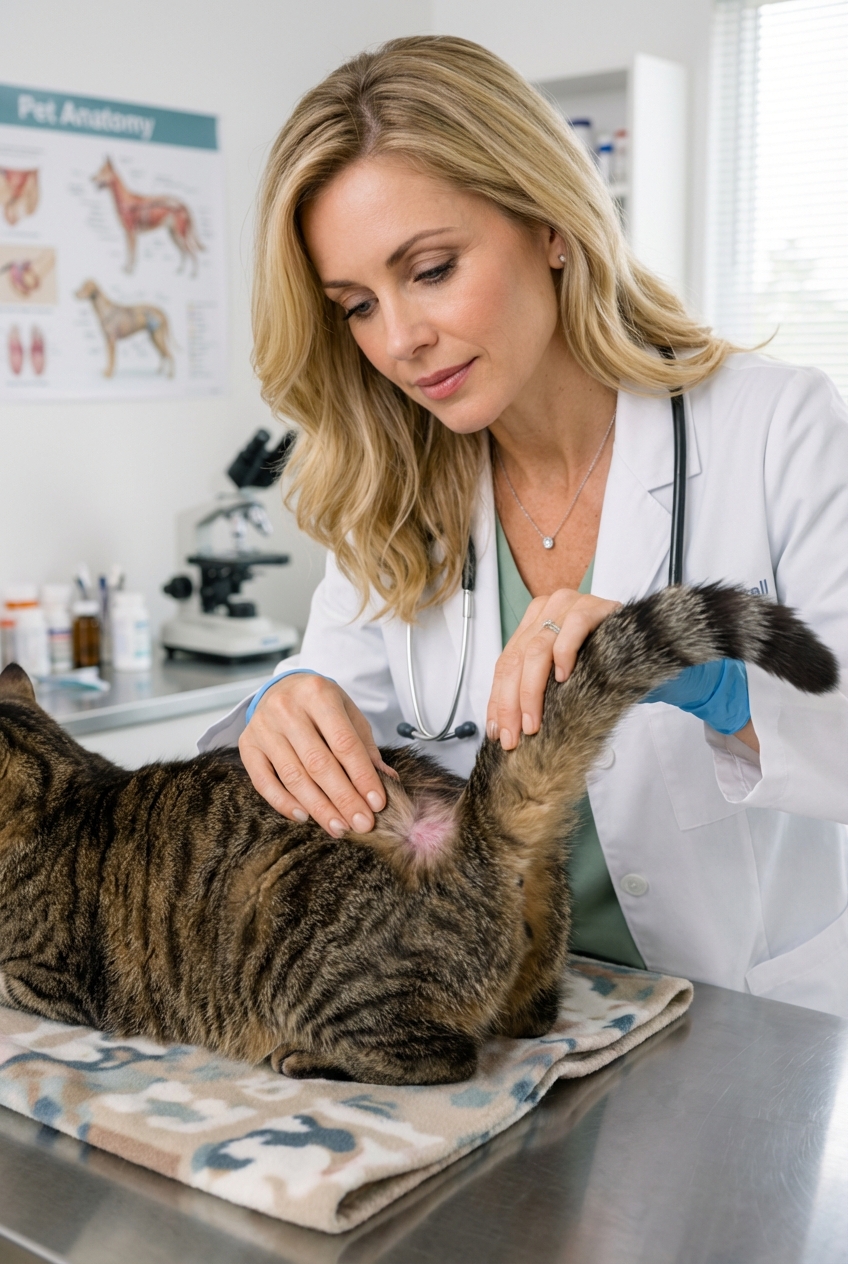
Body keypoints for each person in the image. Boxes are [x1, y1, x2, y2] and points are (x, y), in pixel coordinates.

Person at [200, 36, 848, 1016]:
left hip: (745, 1019)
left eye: (429, 269)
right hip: (507, 1017)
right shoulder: (391, 486)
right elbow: (336, 731)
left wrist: (708, 676)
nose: (398, 341)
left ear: (547, 222)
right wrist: (282, 715)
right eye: (356, 306)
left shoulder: (775, 425)